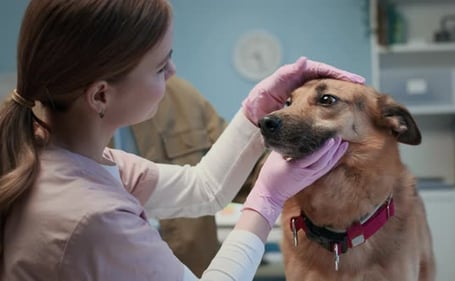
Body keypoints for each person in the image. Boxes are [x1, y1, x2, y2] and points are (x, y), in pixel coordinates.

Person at [0, 1, 365, 280]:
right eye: (161, 67)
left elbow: (202, 189)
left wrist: (255, 113)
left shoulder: (63, 155)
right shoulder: (93, 218)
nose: (173, 73)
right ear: (100, 96)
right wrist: (266, 200)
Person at [127, 75, 260, 276]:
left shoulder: (182, 96)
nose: (170, 71)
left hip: (193, 266)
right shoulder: (79, 155)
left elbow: (207, 186)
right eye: (160, 64)